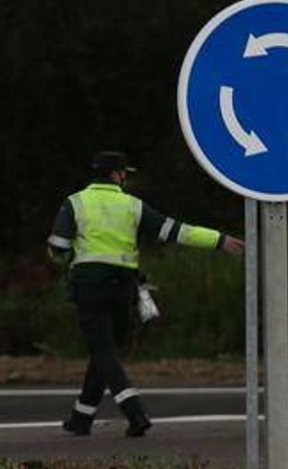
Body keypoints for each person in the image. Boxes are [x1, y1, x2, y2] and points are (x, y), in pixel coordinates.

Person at [47, 151, 243, 437]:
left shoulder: (75, 202)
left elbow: (59, 247)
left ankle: (135, 413)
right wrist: (219, 240)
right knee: (106, 350)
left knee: (103, 350)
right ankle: (81, 417)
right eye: (125, 173)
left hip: (89, 286)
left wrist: (62, 259)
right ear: (117, 174)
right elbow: (176, 231)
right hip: (123, 288)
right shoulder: (133, 206)